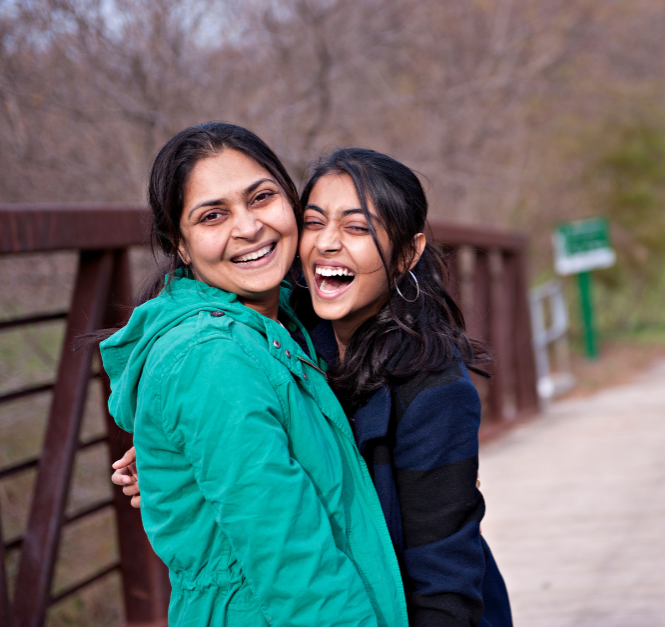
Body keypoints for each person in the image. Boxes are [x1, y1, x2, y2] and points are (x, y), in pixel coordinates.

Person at [114, 147, 514, 626]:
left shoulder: (433, 389)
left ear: (407, 253)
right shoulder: (285, 331)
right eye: (314, 222)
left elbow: (443, 576)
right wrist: (176, 451)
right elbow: (240, 419)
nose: (327, 244)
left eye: (358, 227)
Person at [101, 123, 407, 627]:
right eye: (213, 215)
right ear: (180, 244)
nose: (247, 228)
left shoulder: (284, 324)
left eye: (261, 197)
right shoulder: (211, 360)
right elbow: (292, 564)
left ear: (291, 203)